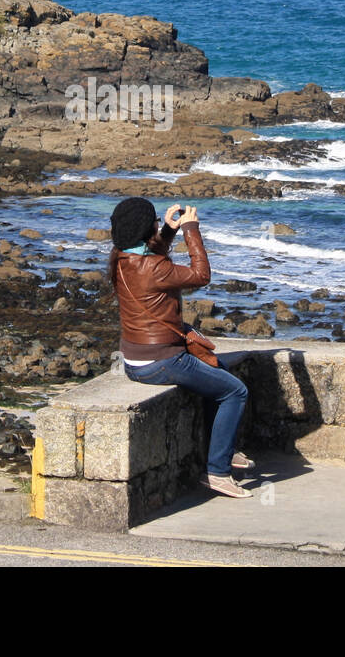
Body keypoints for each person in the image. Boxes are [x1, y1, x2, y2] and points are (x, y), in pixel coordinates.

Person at [108, 196, 254, 498]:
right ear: (146, 229)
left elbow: (150, 257)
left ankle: (224, 450)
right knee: (235, 391)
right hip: (162, 360)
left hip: (135, 358)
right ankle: (217, 472)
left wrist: (167, 231)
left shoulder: (120, 258)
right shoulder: (153, 268)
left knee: (218, 368)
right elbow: (201, 275)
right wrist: (190, 230)